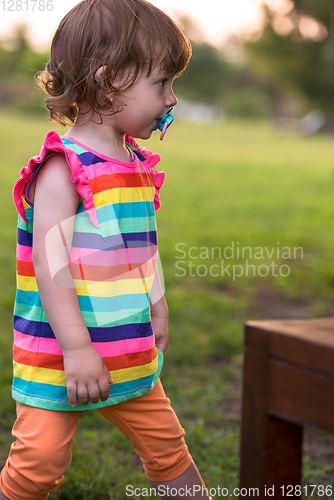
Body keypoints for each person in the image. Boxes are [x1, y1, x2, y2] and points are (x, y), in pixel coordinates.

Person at [0, 0, 211, 499]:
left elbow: (141, 249)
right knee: (39, 464)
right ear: (110, 79)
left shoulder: (136, 162)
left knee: (168, 448)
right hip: (60, 356)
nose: (172, 99)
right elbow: (50, 269)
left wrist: (157, 305)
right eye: (162, 83)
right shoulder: (63, 168)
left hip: (127, 347)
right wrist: (77, 349)